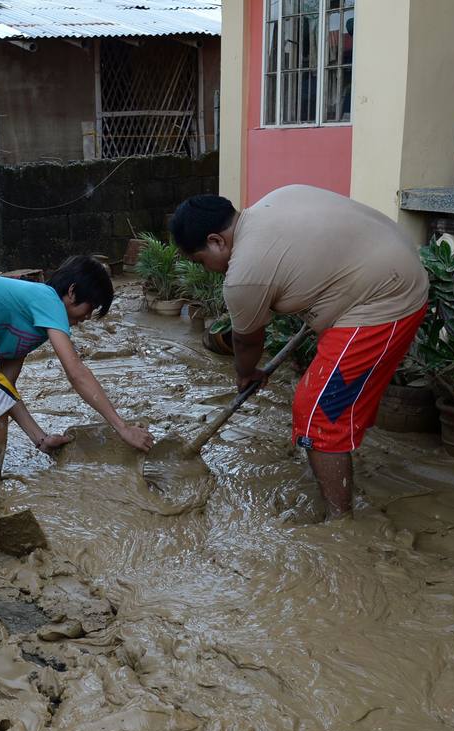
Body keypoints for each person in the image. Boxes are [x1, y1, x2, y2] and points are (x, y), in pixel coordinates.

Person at [169, 188, 427, 519]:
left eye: (200, 261)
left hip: (385, 299)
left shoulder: (244, 274)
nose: (205, 269)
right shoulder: (276, 198)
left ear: (217, 241)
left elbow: (247, 342)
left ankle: (340, 522)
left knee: (317, 410)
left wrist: (246, 374)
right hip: (390, 268)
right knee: (330, 396)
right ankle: (327, 463)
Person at [0, 257, 154, 474]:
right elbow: (76, 372)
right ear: (72, 292)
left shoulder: (29, 320)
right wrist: (122, 428)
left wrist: (41, 440)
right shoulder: (48, 299)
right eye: (91, 306)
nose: (88, 316)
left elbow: (6, 389)